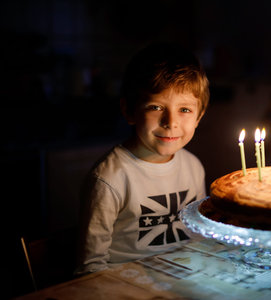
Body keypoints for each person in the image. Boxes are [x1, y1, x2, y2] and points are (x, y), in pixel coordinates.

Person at [75, 42, 209, 275]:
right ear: (128, 111)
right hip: (125, 285)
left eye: (185, 110)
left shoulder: (193, 167)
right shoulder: (109, 178)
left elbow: (198, 239)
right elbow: (90, 266)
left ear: (199, 116)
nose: (171, 122)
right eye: (156, 107)